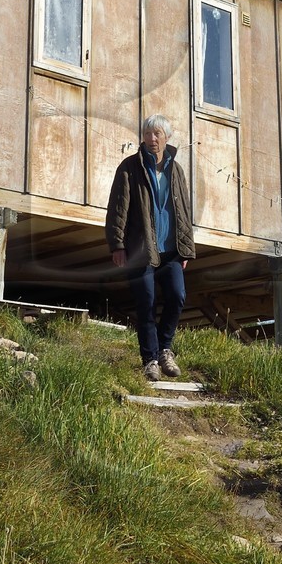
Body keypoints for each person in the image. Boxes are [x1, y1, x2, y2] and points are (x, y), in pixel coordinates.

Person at [106, 115, 195, 381]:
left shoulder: (176, 170)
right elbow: (118, 208)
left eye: (157, 134)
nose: (152, 139)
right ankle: (150, 360)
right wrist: (117, 244)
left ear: (167, 137)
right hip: (140, 249)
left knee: (177, 296)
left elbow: (183, 212)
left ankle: (165, 348)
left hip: (170, 251)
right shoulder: (130, 167)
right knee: (146, 302)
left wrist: (185, 248)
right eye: (147, 133)